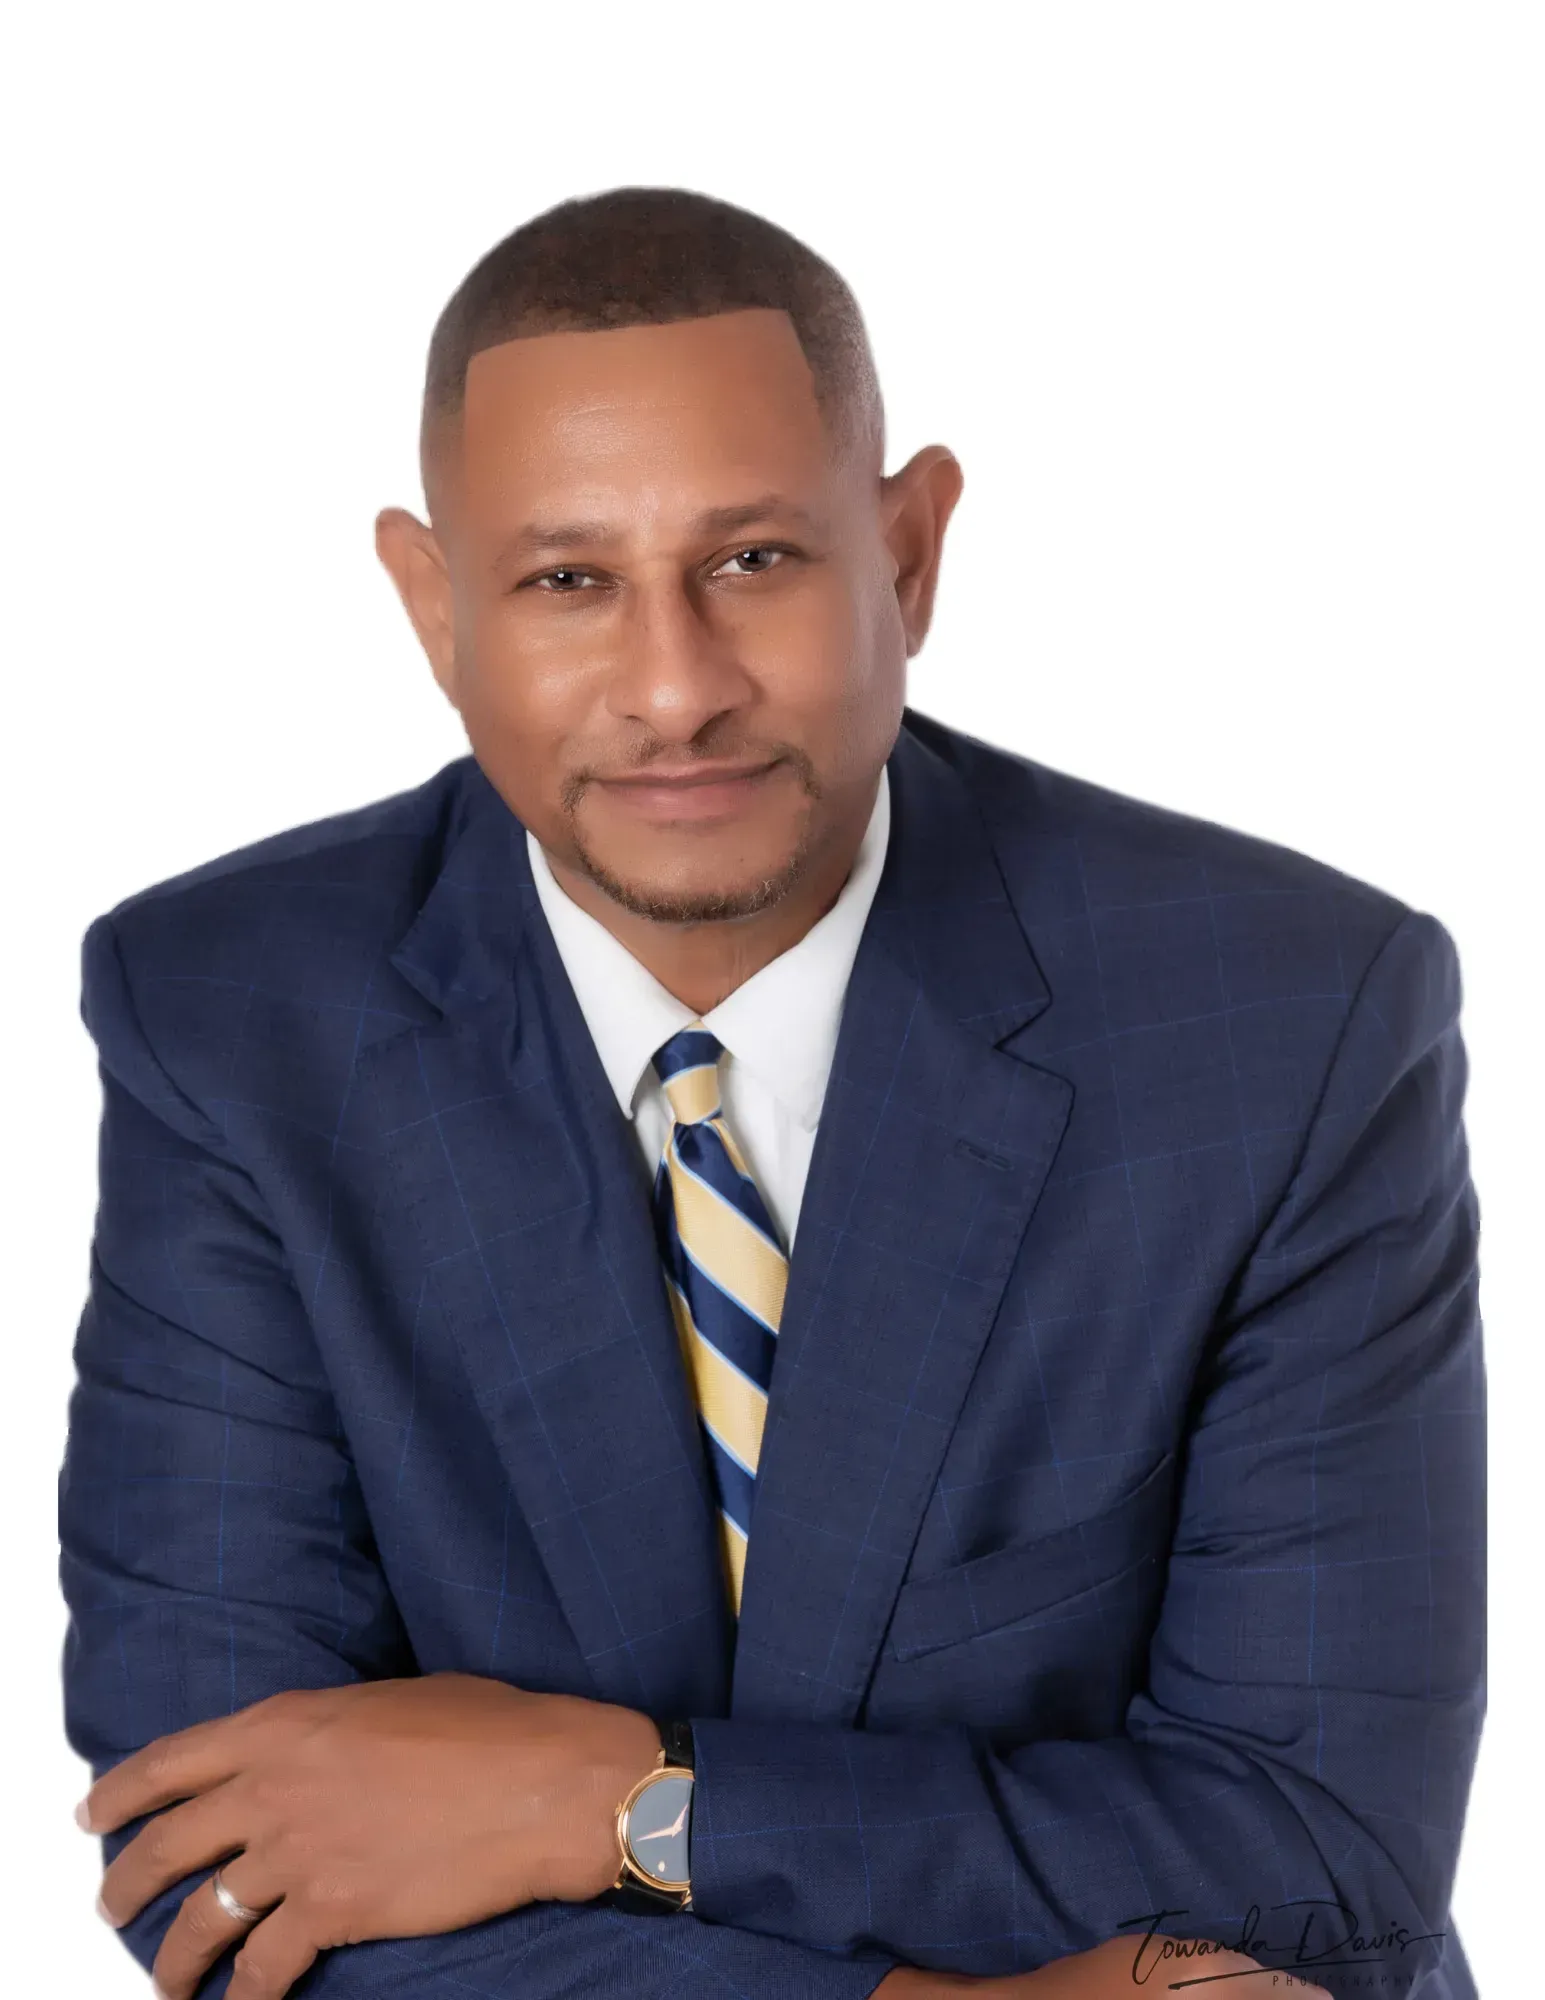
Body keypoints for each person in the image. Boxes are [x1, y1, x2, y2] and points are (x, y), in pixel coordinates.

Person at [57, 186, 1481, 2000]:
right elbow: (221, 1867)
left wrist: (628, 1808)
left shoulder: (1288, 1017)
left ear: (907, 553)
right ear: (433, 606)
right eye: (569, 580)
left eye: (753, 562)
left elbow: (1321, 1857)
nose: (675, 688)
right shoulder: (228, 1020)